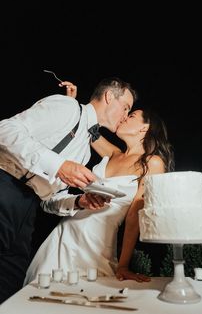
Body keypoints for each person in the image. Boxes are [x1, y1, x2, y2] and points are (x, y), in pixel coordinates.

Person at [0, 76, 137, 303]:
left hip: (27, 210)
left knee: (10, 288)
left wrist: (78, 202)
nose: (125, 116)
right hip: (4, 186)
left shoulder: (84, 150)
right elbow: (4, 129)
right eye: (126, 108)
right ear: (109, 96)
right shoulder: (67, 107)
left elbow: (49, 200)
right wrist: (59, 165)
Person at [23, 82, 174, 285]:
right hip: (64, 234)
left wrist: (123, 265)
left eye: (130, 116)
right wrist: (72, 104)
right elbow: (86, 124)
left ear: (144, 128)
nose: (123, 117)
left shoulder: (152, 163)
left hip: (96, 246)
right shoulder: (113, 153)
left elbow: (134, 217)